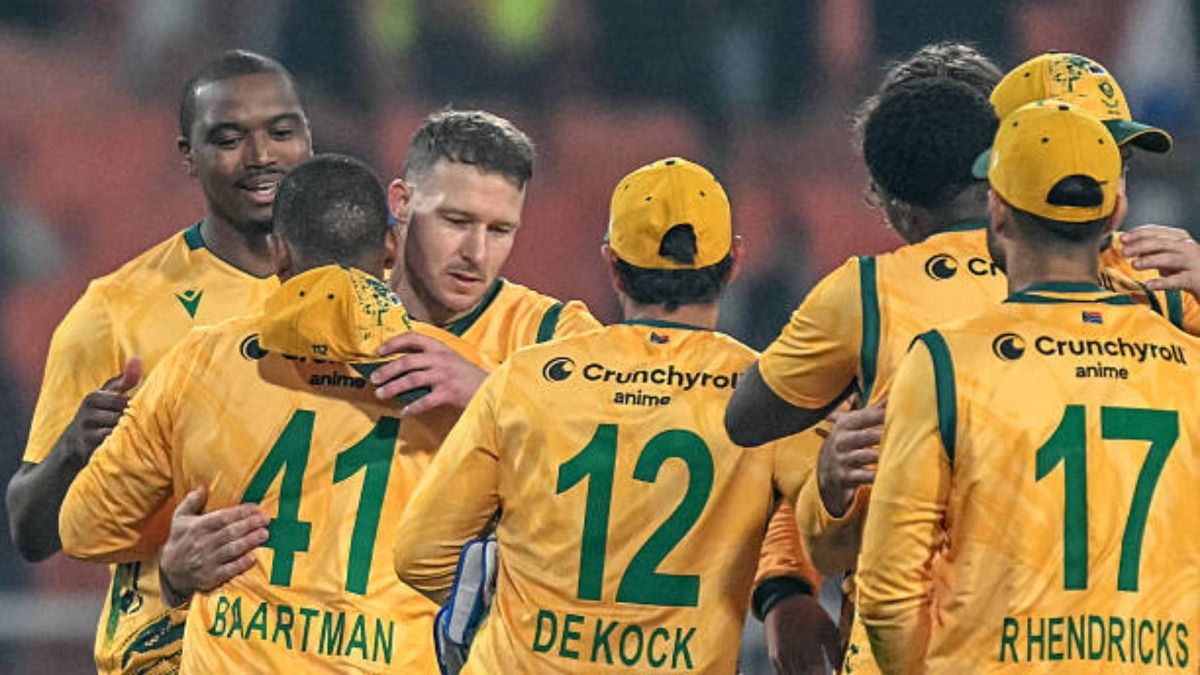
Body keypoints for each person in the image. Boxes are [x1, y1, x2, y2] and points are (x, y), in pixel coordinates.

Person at [393, 157, 834, 673]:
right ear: (734, 261)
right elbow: (836, 515)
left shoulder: (527, 377)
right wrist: (784, 591)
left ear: (612, 264)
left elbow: (419, 554)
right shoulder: (768, 393)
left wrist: (515, 583)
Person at [58, 154, 488, 673]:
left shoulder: (204, 360)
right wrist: (496, 397)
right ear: (392, 246)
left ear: (279, 253)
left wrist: (175, 561)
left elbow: (83, 528)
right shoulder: (460, 381)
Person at [857, 99, 1200, 673]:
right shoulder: (1189, 360)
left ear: (996, 210)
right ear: (1113, 211)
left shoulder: (943, 361)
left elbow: (889, 591)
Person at [6, 49, 311, 674]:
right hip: (170, 654)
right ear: (187, 156)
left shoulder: (372, 295)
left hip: (323, 653)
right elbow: (30, 533)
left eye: (282, 131)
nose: (261, 156)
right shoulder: (117, 309)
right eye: (228, 138)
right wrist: (73, 447)